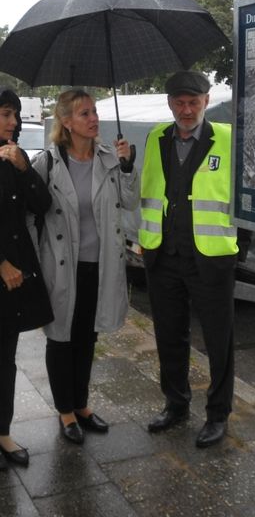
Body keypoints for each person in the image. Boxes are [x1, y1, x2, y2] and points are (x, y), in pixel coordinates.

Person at [140, 70, 249, 448]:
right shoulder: (157, 138)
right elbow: (149, 191)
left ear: (206, 100)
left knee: (219, 341)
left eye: (194, 102)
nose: (186, 110)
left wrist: (239, 249)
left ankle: (218, 414)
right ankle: (176, 404)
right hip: (163, 255)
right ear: (170, 103)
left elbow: (248, 197)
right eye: (179, 102)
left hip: (211, 258)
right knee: (169, 336)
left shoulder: (229, 139)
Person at [31, 88, 139, 445]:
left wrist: (127, 166)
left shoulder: (109, 157)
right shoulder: (47, 163)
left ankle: (81, 404)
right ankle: (65, 410)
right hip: (62, 266)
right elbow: (32, 214)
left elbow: (129, 201)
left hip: (99, 264)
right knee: (61, 337)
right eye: (84, 114)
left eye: (94, 112)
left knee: (87, 337)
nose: (94, 119)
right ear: (66, 122)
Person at [0, 87, 53, 469]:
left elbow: (43, 205)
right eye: (5, 114)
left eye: (15, 115)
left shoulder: (12, 157)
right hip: (4, 270)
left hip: (13, 280)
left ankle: (2, 433)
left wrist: (24, 167)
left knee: (5, 358)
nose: (13, 122)